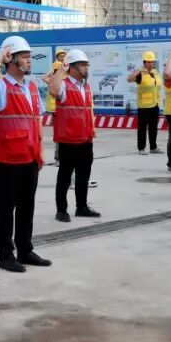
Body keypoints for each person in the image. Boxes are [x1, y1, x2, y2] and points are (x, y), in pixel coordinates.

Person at [0, 36, 51, 273]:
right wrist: (1, 55)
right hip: (8, 160)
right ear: (11, 60)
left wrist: (40, 151)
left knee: (26, 208)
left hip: (30, 158)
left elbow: (36, 120)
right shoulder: (1, 87)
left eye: (30, 57)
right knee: (6, 211)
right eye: (24, 57)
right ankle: (5, 255)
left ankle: (25, 250)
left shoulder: (31, 88)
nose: (29, 61)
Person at [49, 49, 101, 223]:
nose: (86, 68)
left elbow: (88, 110)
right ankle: (61, 210)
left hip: (85, 139)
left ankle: (82, 206)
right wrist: (61, 70)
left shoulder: (86, 87)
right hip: (68, 140)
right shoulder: (64, 85)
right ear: (71, 67)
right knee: (65, 176)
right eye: (82, 65)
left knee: (83, 175)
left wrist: (92, 129)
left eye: (87, 65)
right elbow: (53, 90)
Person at [128, 51, 161, 155]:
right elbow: (129, 79)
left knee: (153, 127)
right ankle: (141, 148)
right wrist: (138, 71)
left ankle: (153, 147)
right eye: (149, 62)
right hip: (144, 106)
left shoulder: (155, 72)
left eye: (152, 62)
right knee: (142, 128)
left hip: (155, 104)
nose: (151, 64)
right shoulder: (140, 74)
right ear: (144, 62)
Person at [42, 48, 68, 163]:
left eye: (64, 56)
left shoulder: (68, 78)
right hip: (55, 109)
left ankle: (62, 156)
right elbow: (44, 78)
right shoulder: (52, 80)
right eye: (60, 56)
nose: (62, 58)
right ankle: (58, 157)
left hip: (65, 109)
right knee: (59, 133)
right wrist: (53, 70)